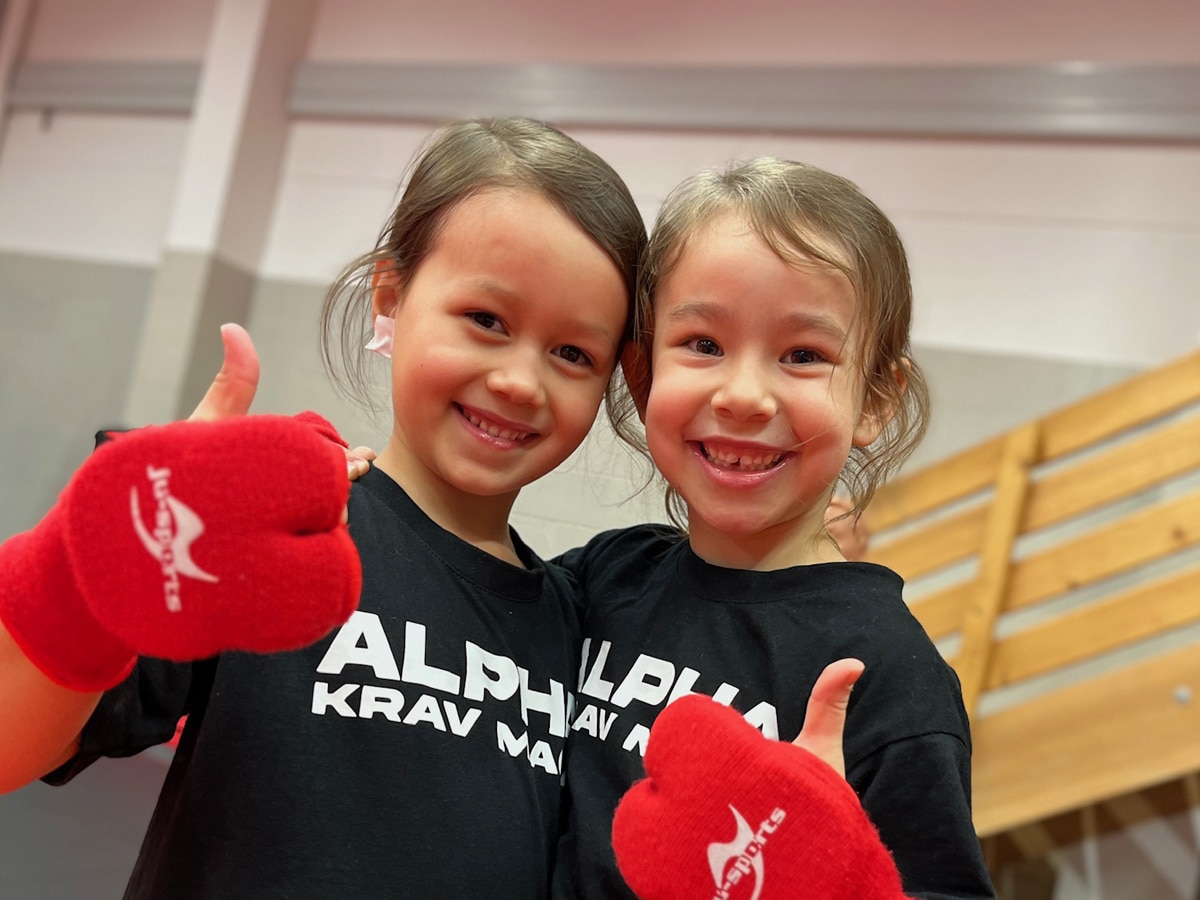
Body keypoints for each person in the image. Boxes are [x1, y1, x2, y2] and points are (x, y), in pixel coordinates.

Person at [0, 116, 648, 898]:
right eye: (486, 320)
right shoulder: (277, 540)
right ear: (392, 295)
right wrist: (86, 576)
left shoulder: (575, 626)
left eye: (573, 354)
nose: (520, 379)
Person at [552, 158, 995, 899]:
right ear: (640, 372)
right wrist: (354, 499)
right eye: (702, 343)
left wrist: (834, 878)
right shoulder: (604, 576)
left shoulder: (884, 675)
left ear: (877, 401)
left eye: (803, 356)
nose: (746, 395)